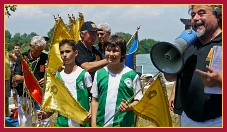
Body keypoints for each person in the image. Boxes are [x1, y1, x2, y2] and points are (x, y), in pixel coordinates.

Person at [164, 5, 222, 127]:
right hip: (187, 118)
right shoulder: (188, 45)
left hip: (217, 121)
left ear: (218, 17)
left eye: (201, 13)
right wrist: (167, 66)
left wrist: (221, 82)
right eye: (193, 15)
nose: (195, 18)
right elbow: (171, 77)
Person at [90, 35, 143, 127]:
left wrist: (128, 107)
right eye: (108, 50)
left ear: (122, 53)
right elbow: (95, 100)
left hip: (124, 125)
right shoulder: (99, 73)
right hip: (101, 125)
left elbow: (139, 100)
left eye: (115, 51)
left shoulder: (131, 75)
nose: (111, 54)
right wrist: (93, 124)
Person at [38, 39, 92, 127]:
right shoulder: (57, 77)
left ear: (76, 53)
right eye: (62, 52)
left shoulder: (84, 75)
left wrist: (92, 110)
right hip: (62, 124)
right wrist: (45, 114)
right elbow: (55, 103)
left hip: (82, 123)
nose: (64, 55)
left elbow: (95, 96)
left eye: (68, 51)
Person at [12, 36, 48, 126]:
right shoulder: (22, 58)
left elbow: (52, 74)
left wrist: (47, 79)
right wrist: (31, 81)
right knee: (25, 122)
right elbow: (16, 77)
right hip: (25, 95)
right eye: (36, 50)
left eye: (40, 50)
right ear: (30, 46)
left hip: (41, 94)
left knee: (44, 121)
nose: (38, 53)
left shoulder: (45, 57)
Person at [10, 44, 21, 108]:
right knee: (14, 92)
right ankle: (16, 107)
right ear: (13, 49)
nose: (17, 49)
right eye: (16, 48)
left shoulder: (22, 57)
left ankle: (20, 106)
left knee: (19, 91)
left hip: (20, 76)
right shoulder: (10, 57)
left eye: (18, 48)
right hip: (13, 76)